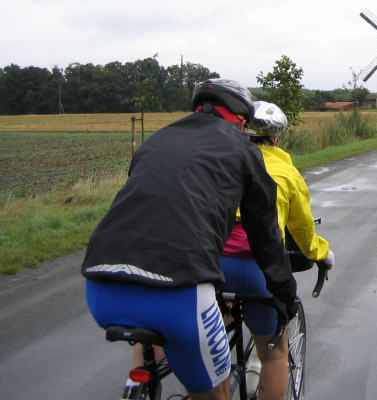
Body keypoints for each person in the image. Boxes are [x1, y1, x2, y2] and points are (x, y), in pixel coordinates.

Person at [82, 79, 297, 400]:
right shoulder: (242, 149)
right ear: (240, 120)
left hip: (100, 287)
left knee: (155, 340)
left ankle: (136, 384)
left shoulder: (157, 140)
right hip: (178, 294)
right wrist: (284, 294)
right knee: (213, 392)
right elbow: (264, 234)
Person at [221, 100, 334, 400]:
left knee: (214, 333)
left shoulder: (222, 161)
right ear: (275, 137)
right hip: (258, 265)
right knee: (274, 354)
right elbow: (302, 227)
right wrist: (320, 253)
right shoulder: (285, 170)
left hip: (213, 261)